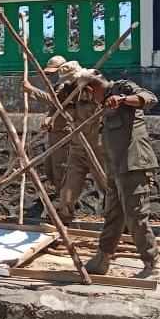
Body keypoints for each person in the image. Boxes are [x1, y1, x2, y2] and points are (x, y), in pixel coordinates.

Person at [79, 70, 160, 280]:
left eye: (88, 95)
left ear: (91, 89)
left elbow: (149, 98)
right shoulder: (104, 104)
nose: (91, 100)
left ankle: (152, 265)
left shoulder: (122, 88)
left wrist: (123, 99)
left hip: (133, 165)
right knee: (113, 215)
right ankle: (103, 258)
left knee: (136, 216)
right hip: (115, 169)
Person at [50, 61, 108, 224]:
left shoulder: (97, 87)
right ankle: (64, 220)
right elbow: (57, 107)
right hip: (77, 148)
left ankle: (119, 221)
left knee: (107, 185)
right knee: (68, 189)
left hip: (96, 147)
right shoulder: (68, 91)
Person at [22, 55, 69, 219]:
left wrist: (32, 89)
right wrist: (49, 119)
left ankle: (64, 207)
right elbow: (54, 107)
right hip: (55, 132)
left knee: (60, 170)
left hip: (64, 133)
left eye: (53, 72)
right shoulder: (57, 84)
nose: (51, 75)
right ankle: (59, 197)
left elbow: (56, 101)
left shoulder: (68, 84)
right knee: (50, 168)